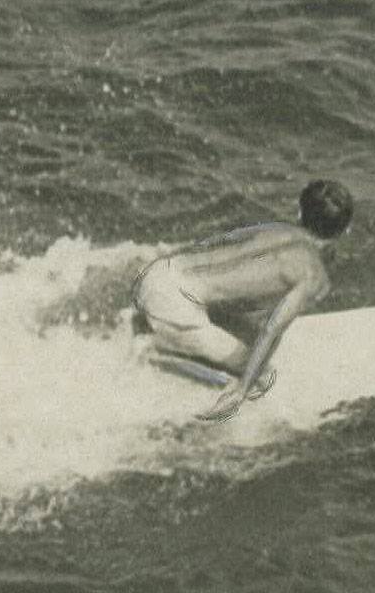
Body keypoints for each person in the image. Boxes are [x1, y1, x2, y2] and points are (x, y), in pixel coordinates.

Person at [131, 179, 355, 423]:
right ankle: (157, 349)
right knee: (263, 375)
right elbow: (271, 329)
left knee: (241, 333)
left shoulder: (274, 229)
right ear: (344, 230)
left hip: (156, 274)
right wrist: (242, 390)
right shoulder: (314, 277)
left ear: (299, 211)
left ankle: (152, 324)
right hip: (172, 308)